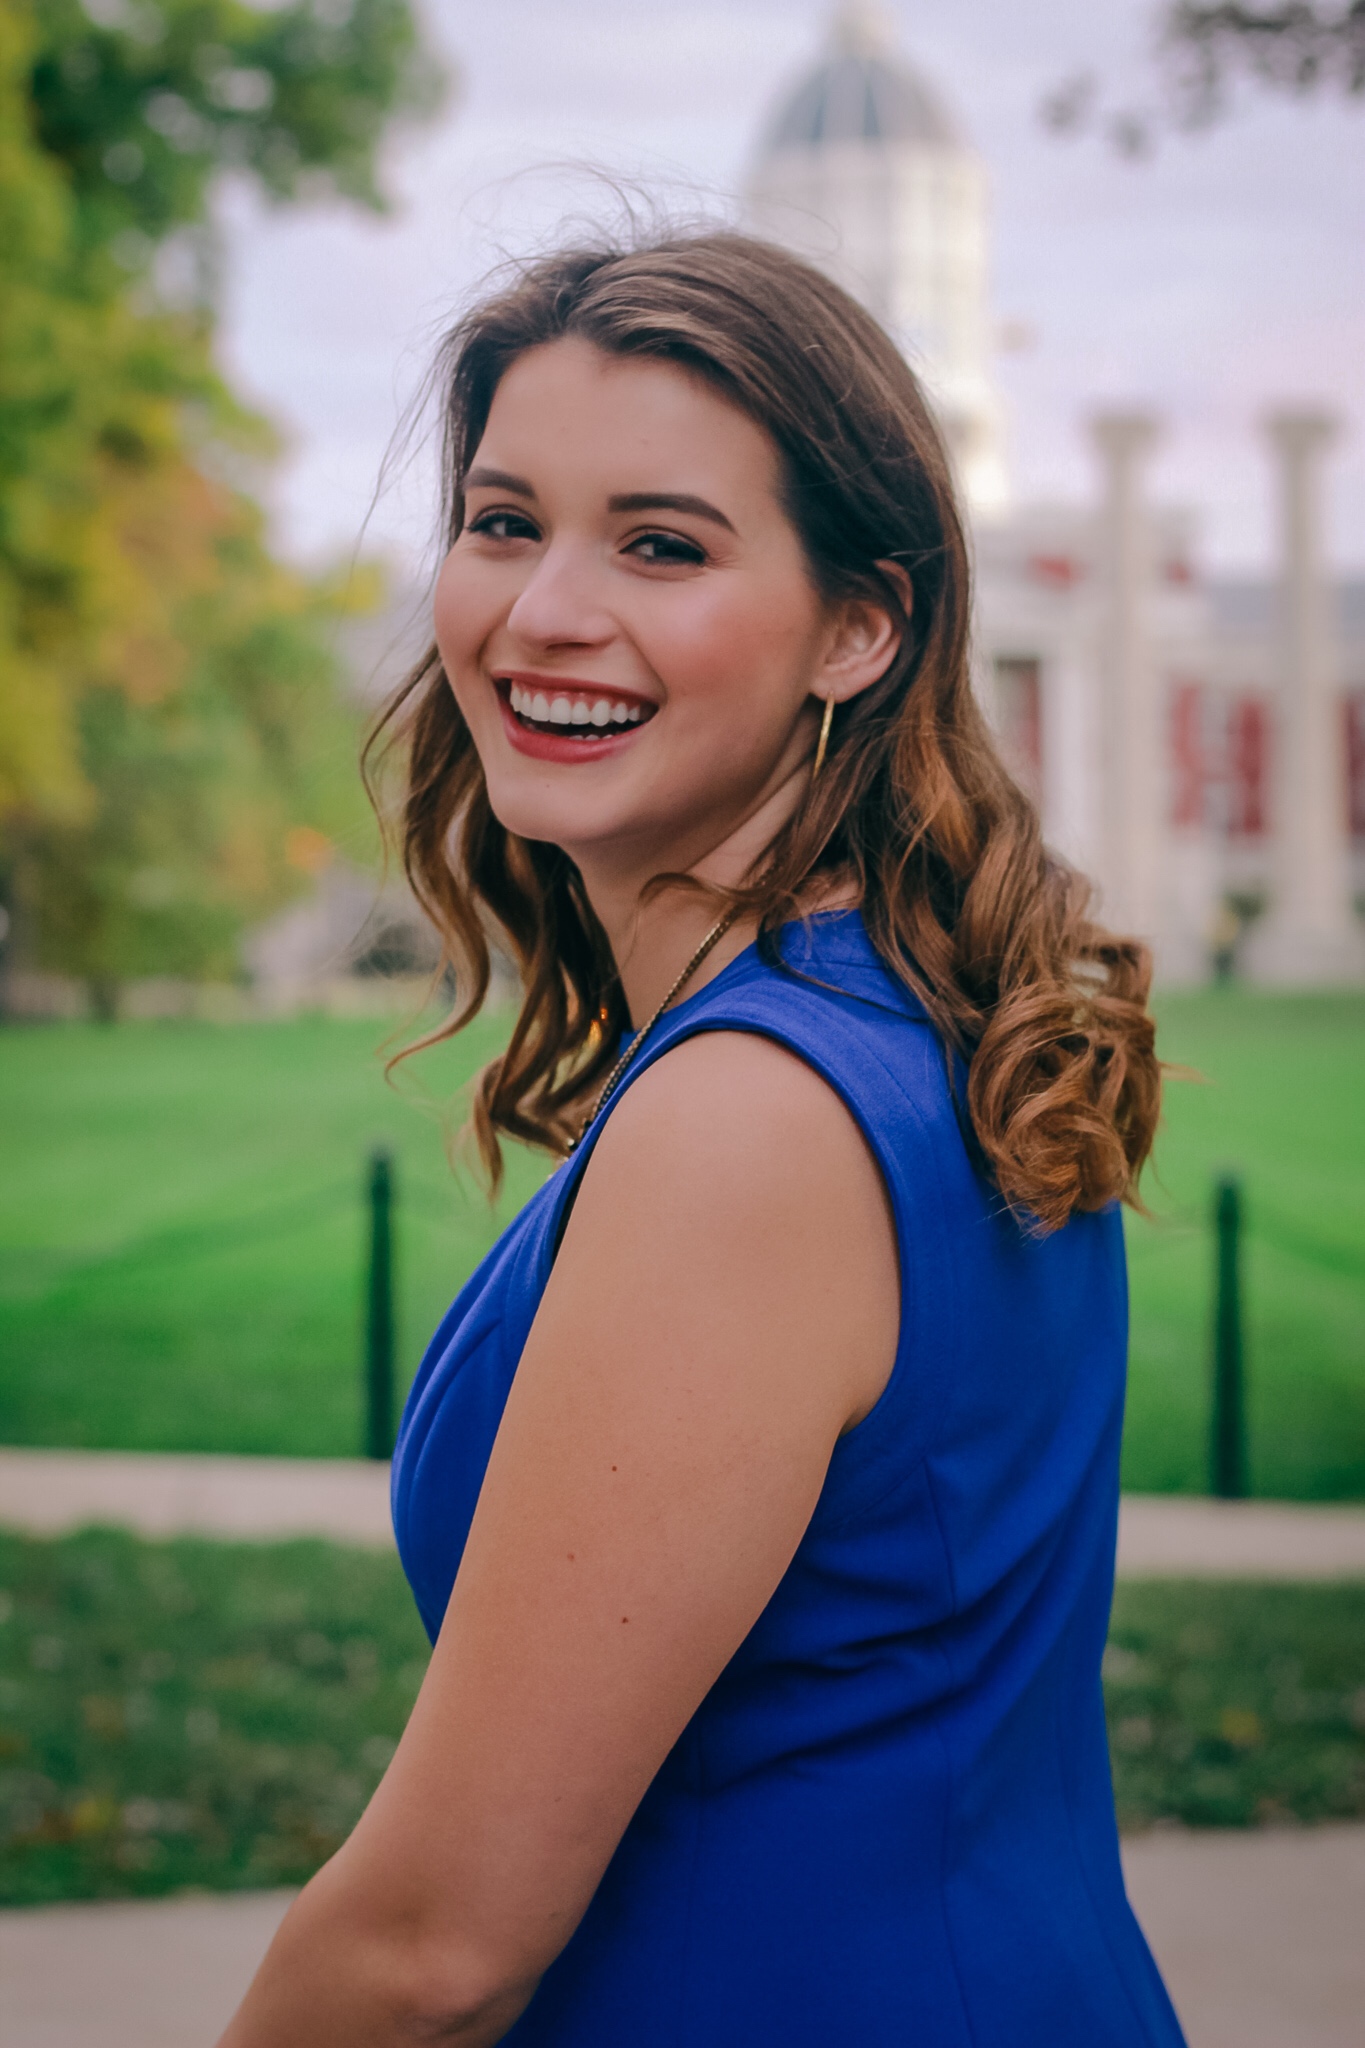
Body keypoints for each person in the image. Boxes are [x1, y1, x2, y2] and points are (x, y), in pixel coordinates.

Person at [218, 232, 1183, 2048]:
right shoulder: (916, 1018)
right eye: (503, 523)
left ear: (858, 625)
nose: (543, 610)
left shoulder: (754, 1116)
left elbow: (431, 1945)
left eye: (660, 544)